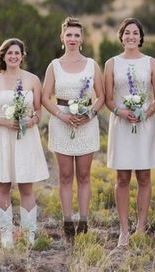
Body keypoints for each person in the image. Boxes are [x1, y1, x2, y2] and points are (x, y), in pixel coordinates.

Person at [42, 17, 105, 240]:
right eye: (68, 34)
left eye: (76, 35)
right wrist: (61, 115)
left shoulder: (92, 65)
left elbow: (102, 96)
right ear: (62, 37)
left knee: (85, 175)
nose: (72, 38)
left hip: (86, 124)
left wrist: (89, 115)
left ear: (82, 39)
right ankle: (68, 221)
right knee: (66, 176)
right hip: (61, 123)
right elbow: (44, 97)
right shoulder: (54, 66)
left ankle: (84, 221)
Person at [0, 38, 49, 247]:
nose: (13, 56)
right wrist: (6, 122)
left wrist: (31, 121)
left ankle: (29, 235)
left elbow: (38, 110)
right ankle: (7, 235)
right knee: (2, 186)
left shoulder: (32, 80)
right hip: (1, 137)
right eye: (9, 53)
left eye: (17, 53)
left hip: (25, 138)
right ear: (3, 56)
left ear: (22, 56)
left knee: (26, 187)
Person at [104, 18, 155, 247]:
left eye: (135, 33)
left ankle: (141, 227)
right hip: (121, 124)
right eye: (127, 33)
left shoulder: (151, 63)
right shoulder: (111, 63)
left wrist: (144, 113)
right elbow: (108, 99)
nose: (131, 36)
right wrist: (120, 111)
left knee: (144, 176)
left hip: (145, 124)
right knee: (123, 177)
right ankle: (124, 230)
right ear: (121, 36)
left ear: (141, 37)